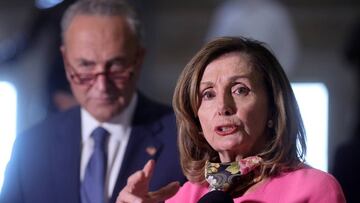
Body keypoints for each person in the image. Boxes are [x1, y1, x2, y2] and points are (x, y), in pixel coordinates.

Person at [116, 36, 346, 203]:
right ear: (196, 120)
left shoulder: (313, 189)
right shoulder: (184, 197)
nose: (223, 107)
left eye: (240, 90)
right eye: (208, 94)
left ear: (274, 108)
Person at [0, 0, 186, 203]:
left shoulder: (184, 139)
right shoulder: (31, 147)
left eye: (116, 66)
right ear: (66, 60)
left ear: (139, 59)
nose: (102, 86)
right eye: (86, 66)